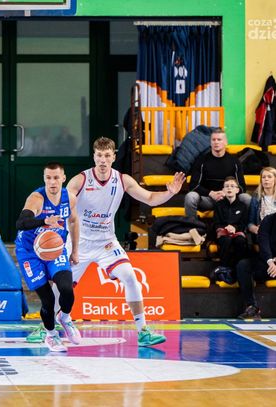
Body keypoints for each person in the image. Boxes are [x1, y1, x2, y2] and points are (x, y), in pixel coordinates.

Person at [67, 137, 186, 346]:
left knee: (130, 277)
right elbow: (63, 205)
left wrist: (169, 193)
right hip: (80, 241)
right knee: (62, 285)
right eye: (99, 155)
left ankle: (143, 331)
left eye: (107, 156)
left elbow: (150, 199)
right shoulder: (80, 180)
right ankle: (46, 326)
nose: (103, 160)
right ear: (94, 157)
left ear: (113, 157)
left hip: (106, 243)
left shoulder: (123, 180)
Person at [15, 162, 81, 352]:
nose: (52, 182)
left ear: (63, 178)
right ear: (44, 179)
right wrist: (44, 221)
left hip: (54, 248)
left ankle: (65, 317)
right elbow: (21, 223)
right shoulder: (37, 198)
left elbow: (74, 222)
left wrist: (75, 250)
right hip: (30, 252)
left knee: (67, 289)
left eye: (56, 178)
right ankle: (51, 335)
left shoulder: (69, 198)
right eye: (48, 178)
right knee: (48, 300)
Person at [185, 128, 250, 218]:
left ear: (225, 142)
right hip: (208, 200)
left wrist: (227, 193)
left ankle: (247, 226)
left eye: (219, 139)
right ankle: (193, 224)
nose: (216, 142)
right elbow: (193, 185)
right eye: (213, 140)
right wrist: (210, 193)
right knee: (190, 197)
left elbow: (242, 187)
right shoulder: (201, 161)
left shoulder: (234, 161)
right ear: (210, 142)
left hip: (229, 198)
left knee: (246, 198)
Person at [236, 212, 276, 319]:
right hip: (268, 264)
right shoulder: (268, 220)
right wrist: (270, 261)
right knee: (243, 265)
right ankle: (252, 307)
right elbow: (263, 241)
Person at [212, 177, 249, 284]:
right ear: (223, 190)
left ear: (237, 190)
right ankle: (224, 268)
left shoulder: (242, 206)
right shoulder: (218, 205)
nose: (229, 188)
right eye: (227, 186)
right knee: (226, 240)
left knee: (240, 241)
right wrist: (225, 228)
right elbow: (216, 223)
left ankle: (239, 269)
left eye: (232, 186)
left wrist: (235, 228)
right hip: (223, 232)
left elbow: (244, 224)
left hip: (237, 232)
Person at [247, 167, 276, 239]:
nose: (266, 179)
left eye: (269, 177)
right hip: (263, 232)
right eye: (263, 177)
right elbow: (250, 223)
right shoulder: (256, 198)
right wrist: (254, 228)